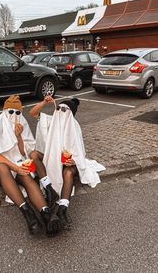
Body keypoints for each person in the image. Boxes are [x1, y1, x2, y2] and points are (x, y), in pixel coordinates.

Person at [0, 95, 61, 237]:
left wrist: (18, 136)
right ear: (4, 111)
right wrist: (16, 167)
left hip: (16, 165)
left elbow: (23, 152)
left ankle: (46, 214)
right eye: (11, 112)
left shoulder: (22, 124)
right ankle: (28, 214)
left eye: (18, 112)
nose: (14, 116)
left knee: (25, 176)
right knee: (3, 168)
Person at [29, 96, 106, 230]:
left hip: (67, 165)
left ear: (71, 114)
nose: (61, 112)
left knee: (68, 172)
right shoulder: (50, 120)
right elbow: (33, 113)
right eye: (59, 108)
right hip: (50, 159)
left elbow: (80, 153)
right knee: (34, 154)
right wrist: (44, 102)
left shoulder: (74, 127)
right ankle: (49, 188)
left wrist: (73, 161)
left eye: (65, 110)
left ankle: (63, 209)